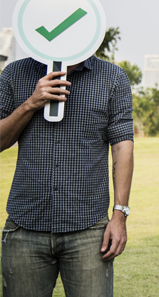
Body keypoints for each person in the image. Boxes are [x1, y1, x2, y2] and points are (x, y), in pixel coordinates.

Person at [0, 56, 134, 296]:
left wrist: (120, 214)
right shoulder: (14, 73)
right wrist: (31, 103)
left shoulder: (112, 77)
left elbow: (122, 145)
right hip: (25, 225)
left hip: (89, 229)